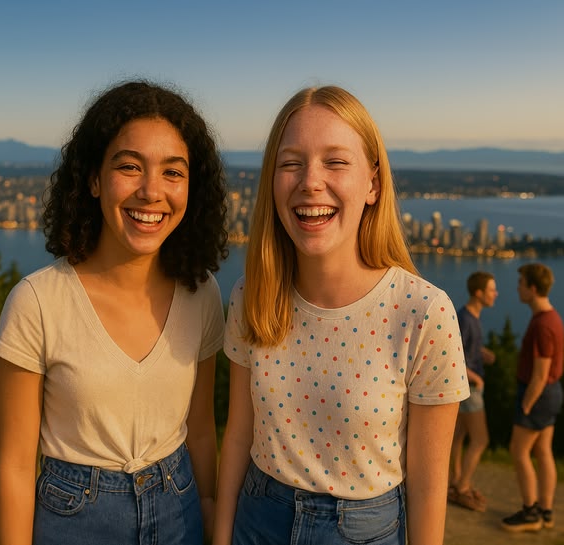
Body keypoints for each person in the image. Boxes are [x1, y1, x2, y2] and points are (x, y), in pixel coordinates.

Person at [215, 85, 469, 545]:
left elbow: (429, 485)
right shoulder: (251, 296)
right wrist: (221, 535)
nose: (311, 181)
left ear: (372, 183)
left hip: (364, 532)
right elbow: (237, 435)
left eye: (335, 162)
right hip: (255, 522)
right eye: (290, 163)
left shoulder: (423, 313)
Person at [0, 80, 228, 545]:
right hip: (74, 520)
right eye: (129, 167)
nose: (151, 191)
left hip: (180, 512)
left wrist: (210, 517)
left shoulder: (201, 293)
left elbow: (200, 430)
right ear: (94, 180)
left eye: (173, 173)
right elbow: (16, 466)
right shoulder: (37, 302)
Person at [501, 263, 563, 533]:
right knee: (542, 451)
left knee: (519, 450)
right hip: (551, 393)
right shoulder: (551, 318)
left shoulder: (542, 325)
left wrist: (526, 405)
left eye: (521, 283)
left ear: (533, 288)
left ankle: (530, 512)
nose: (518, 288)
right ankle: (546, 512)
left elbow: (540, 374)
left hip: (538, 394)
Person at [448, 271, 498, 512]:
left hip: (467, 385)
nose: (495, 294)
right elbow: (452, 355)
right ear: (479, 293)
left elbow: (466, 349)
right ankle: (463, 486)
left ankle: (454, 481)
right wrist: (476, 377)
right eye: (491, 290)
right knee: (480, 439)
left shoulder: (470, 317)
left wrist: (482, 353)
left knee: (457, 436)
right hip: (469, 387)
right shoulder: (465, 319)